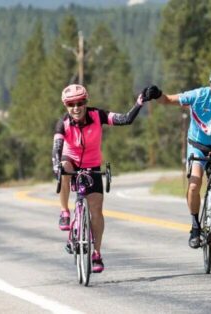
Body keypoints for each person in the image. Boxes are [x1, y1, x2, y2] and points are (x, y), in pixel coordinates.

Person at [52, 83, 154, 273]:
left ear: (86, 102)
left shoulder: (97, 116)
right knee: (63, 169)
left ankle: (96, 253)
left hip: (92, 165)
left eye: (80, 103)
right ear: (66, 106)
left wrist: (140, 102)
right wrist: (55, 166)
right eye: (71, 104)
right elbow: (56, 148)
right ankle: (65, 211)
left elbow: (125, 119)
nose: (76, 108)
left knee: (96, 210)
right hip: (71, 160)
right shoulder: (63, 123)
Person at [145, 67, 211, 249]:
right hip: (197, 145)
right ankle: (195, 227)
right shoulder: (199, 95)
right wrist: (157, 94)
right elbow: (168, 100)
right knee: (194, 184)